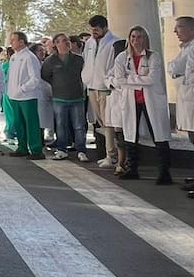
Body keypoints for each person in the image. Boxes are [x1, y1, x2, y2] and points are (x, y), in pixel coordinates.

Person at [108, 26, 173, 184]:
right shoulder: (122, 58)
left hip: (151, 100)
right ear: (129, 39)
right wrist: (138, 80)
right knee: (131, 134)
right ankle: (132, 169)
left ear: (146, 39)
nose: (136, 40)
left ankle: (164, 172)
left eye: (140, 37)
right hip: (131, 101)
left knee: (159, 135)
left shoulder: (153, 57)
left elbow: (153, 79)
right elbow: (118, 80)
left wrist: (130, 79)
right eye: (133, 37)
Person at [168, 15, 194, 195]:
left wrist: (177, 71)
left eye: (180, 27)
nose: (175, 31)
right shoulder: (189, 47)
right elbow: (175, 69)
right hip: (190, 99)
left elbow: (176, 69)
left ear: (193, 29)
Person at [41, 33, 89, 162]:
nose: (67, 42)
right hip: (59, 98)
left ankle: (81, 150)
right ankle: (62, 150)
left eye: (67, 40)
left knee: (79, 126)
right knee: (61, 125)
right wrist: (57, 85)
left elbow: (84, 75)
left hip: (77, 97)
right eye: (63, 41)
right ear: (56, 44)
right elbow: (45, 76)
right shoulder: (50, 61)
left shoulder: (79, 59)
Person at [82, 15, 121, 167]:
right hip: (92, 86)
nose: (94, 32)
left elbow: (114, 65)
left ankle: (112, 155)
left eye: (97, 29)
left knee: (109, 123)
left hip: (105, 88)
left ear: (105, 28)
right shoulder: (90, 43)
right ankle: (110, 153)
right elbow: (87, 61)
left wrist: (108, 81)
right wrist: (85, 78)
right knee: (101, 123)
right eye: (92, 29)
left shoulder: (114, 42)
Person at [6, 32, 45, 160]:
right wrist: (11, 91)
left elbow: (35, 79)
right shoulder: (13, 57)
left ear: (21, 42)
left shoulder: (29, 57)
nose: (11, 42)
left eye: (13, 40)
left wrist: (22, 89)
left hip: (27, 97)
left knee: (31, 124)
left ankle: (36, 149)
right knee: (19, 124)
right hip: (15, 97)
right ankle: (22, 147)